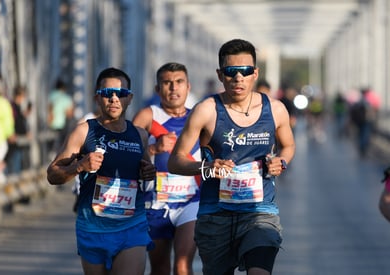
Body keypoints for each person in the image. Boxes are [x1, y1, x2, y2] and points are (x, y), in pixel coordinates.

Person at [168, 38, 296, 275]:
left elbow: (288, 146)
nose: (239, 78)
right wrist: (206, 167)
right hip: (215, 216)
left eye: (245, 71)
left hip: (259, 211)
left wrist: (282, 161)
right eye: (231, 71)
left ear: (255, 73)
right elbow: (175, 161)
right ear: (220, 74)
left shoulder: (275, 109)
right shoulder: (206, 110)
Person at [47, 67, 156, 275]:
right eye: (107, 93)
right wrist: (79, 166)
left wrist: (148, 172)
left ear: (129, 98)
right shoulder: (84, 132)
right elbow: (52, 174)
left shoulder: (139, 135)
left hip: (131, 226)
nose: (114, 99)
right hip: (93, 227)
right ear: (98, 98)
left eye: (121, 94)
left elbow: (145, 171)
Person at [132, 62, 200, 275]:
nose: (173, 88)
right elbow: (126, 154)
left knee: (182, 265)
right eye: (167, 83)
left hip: (192, 201)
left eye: (179, 82)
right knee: (159, 268)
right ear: (157, 89)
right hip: (156, 202)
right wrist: (154, 148)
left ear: (188, 87)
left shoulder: (199, 117)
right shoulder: (147, 116)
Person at [6, 85, 32, 174]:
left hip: (19, 140)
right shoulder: (12, 107)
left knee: (18, 164)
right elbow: (14, 122)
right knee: (14, 166)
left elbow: (19, 120)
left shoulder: (17, 107)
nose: (24, 98)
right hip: (14, 141)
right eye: (23, 96)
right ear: (19, 95)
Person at [47, 78, 74, 157]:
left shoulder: (51, 95)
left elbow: (49, 109)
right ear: (63, 88)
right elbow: (69, 113)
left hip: (52, 124)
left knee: (52, 144)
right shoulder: (66, 98)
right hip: (63, 124)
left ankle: (51, 155)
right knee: (61, 144)